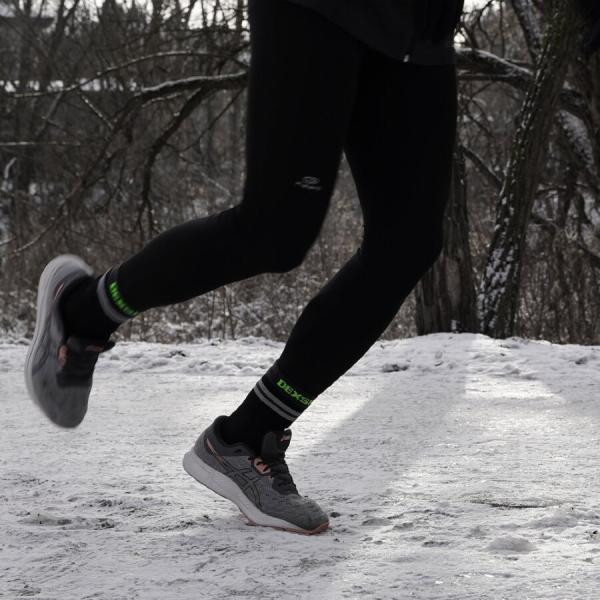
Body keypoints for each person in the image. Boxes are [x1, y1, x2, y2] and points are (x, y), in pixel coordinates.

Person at [24, 0, 600, 535]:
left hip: (418, 29)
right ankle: (85, 310)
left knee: (409, 243)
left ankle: (246, 436)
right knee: (275, 230)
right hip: (320, 10)